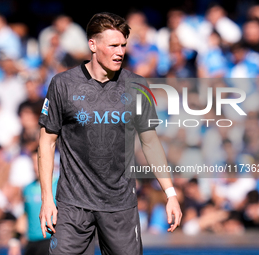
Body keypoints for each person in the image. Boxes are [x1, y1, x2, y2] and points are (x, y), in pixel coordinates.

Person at [38, 12, 182, 255]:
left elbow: (150, 142)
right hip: (73, 205)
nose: (120, 51)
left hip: (120, 205)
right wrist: (47, 199)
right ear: (93, 45)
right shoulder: (63, 84)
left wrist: (170, 193)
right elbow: (46, 143)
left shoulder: (137, 85)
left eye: (123, 45)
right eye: (113, 45)